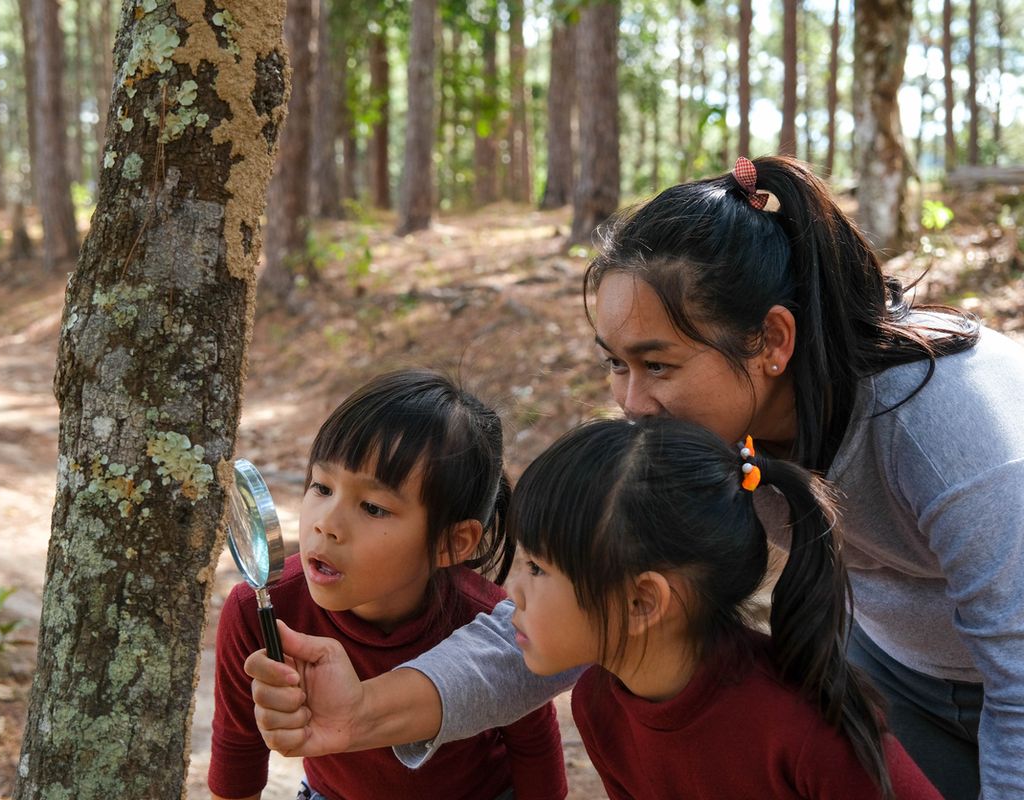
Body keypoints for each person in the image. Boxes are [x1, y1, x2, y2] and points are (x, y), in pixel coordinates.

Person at [245, 157, 1024, 799]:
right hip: (904, 673)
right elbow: (579, 610)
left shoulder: (948, 427)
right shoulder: (693, 434)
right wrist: (363, 712)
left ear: (772, 342)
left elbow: (1019, 684)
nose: (629, 401)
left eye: (658, 363)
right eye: (616, 364)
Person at [507, 415, 939, 798]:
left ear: (642, 602)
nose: (514, 591)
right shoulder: (598, 706)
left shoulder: (806, 733)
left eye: (537, 568)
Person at [209, 369, 567, 800]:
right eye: (321, 487)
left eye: (374, 508)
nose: (327, 524)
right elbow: (238, 755)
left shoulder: (487, 623)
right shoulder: (259, 609)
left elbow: (533, 744)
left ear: (452, 543)